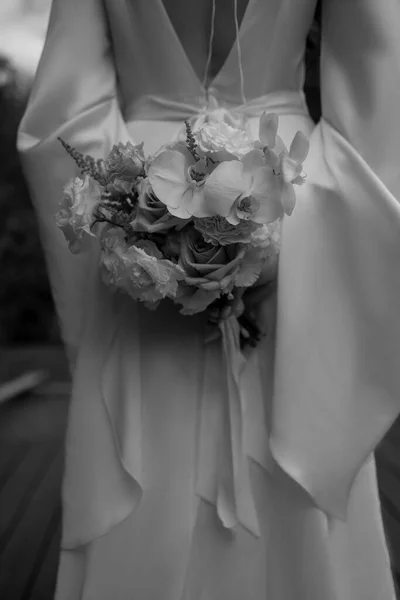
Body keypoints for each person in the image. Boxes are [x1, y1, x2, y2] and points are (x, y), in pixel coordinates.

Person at [17, 0, 400, 598]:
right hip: (292, 195)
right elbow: (383, 91)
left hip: (141, 194)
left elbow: (60, 121)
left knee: (148, 441)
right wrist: (316, 234)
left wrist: (125, 215)